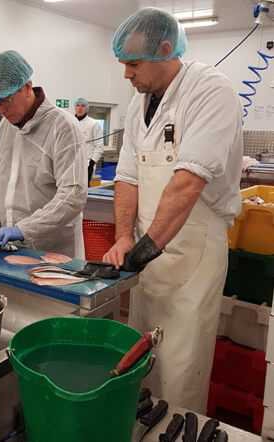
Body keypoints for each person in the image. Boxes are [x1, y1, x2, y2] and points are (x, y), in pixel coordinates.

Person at [103, 8, 243, 413]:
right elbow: (127, 176)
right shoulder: (137, 104)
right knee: (140, 361)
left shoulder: (210, 91)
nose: (126, 75)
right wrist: (125, 238)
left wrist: (142, 251)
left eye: (133, 63)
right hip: (150, 252)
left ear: (165, 49)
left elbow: (187, 182)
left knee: (181, 370)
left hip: (192, 255)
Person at [0, 50, 87, 259]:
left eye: (5, 100)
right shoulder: (5, 126)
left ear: (27, 88)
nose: (0, 110)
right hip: (11, 248)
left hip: (53, 252)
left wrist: (23, 229)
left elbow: (72, 196)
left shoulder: (62, 126)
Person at [74, 98, 104, 185]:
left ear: (87, 108)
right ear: (75, 108)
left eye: (83, 106)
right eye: (77, 105)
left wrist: (92, 163)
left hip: (86, 164)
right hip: (71, 164)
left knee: (83, 189)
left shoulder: (93, 124)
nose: (80, 108)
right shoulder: (70, 121)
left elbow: (99, 146)